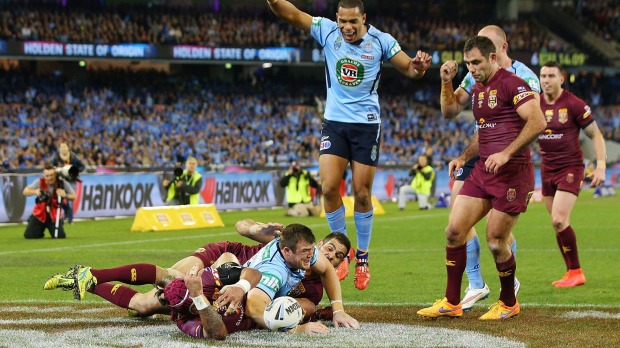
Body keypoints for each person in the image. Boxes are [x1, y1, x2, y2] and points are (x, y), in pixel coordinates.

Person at [267, 0, 431, 290]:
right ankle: (342, 252)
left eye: (353, 22)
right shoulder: (327, 31)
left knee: (362, 193)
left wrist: (418, 68)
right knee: (329, 187)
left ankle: (364, 256)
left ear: (363, 19)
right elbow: (290, 14)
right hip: (335, 123)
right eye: (342, 21)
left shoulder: (381, 41)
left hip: (367, 125)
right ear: (337, 18)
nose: (347, 27)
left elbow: (409, 69)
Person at [417, 35, 546, 320]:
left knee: (497, 241)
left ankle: (509, 302)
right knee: (453, 232)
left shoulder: (514, 84)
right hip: (483, 172)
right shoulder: (476, 89)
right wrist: (464, 157)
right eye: (467, 63)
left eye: (476, 62)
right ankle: (452, 302)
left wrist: (506, 153)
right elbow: (481, 128)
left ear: (492, 58)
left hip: (513, 173)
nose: (472, 68)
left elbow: (538, 121)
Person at [44, 221, 357, 330]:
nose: (330, 257)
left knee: (140, 306)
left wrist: (320, 310)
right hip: (224, 265)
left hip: (236, 283)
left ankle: (87, 278)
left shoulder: (309, 274)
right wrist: (253, 229)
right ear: (316, 246)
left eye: (338, 256)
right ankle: (92, 273)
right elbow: (241, 227)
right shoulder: (296, 247)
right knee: (168, 279)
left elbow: (308, 300)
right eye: (328, 249)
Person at [538, 61, 607, 287]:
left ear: (561, 79)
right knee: (557, 222)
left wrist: (600, 166)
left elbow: (596, 135)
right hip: (546, 168)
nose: (546, 80)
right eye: (543, 76)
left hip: (570, 168)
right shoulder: (534, 103)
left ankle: (576, 271)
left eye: (550, 76)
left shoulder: (574, 104)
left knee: (558, 219)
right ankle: (571, 271)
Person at [23, 163, 76, 239]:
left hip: (54, 216)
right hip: (39, 215)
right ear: (44, 176)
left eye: (51, 175)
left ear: (55, 175)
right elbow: (25, 191)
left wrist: (65, 195)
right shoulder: (39, 182)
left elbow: (73, 196)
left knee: (59, 236)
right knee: (29, 236)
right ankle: (37, 229)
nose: (49, 178)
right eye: (47, 176)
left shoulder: (62, 183)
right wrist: (35, 192)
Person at [51, 142, 85, 224]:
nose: (63, 148)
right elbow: (51, 166)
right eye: (61, 147)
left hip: (71, 180)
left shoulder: (73, 157)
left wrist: (74, 171)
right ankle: (64, 211)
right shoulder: (56, 157)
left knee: (70, 199)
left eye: (64, 147)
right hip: (60, 180)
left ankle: (70, 220)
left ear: (68, 148)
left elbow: (82, 166)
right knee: (58, 198)